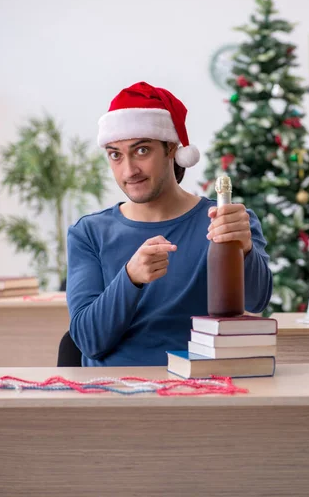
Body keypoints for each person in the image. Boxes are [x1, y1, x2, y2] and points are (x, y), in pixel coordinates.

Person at [66, 81, 272, 367]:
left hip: (202, 389)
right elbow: (89, 341)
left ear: (172, 149)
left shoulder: (227, 220)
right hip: (114, 396)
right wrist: (130, 278)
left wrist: (245, 249)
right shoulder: (88, 234)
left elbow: (256, 301)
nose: (129, 170)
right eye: (115, 154)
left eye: (141, 151)